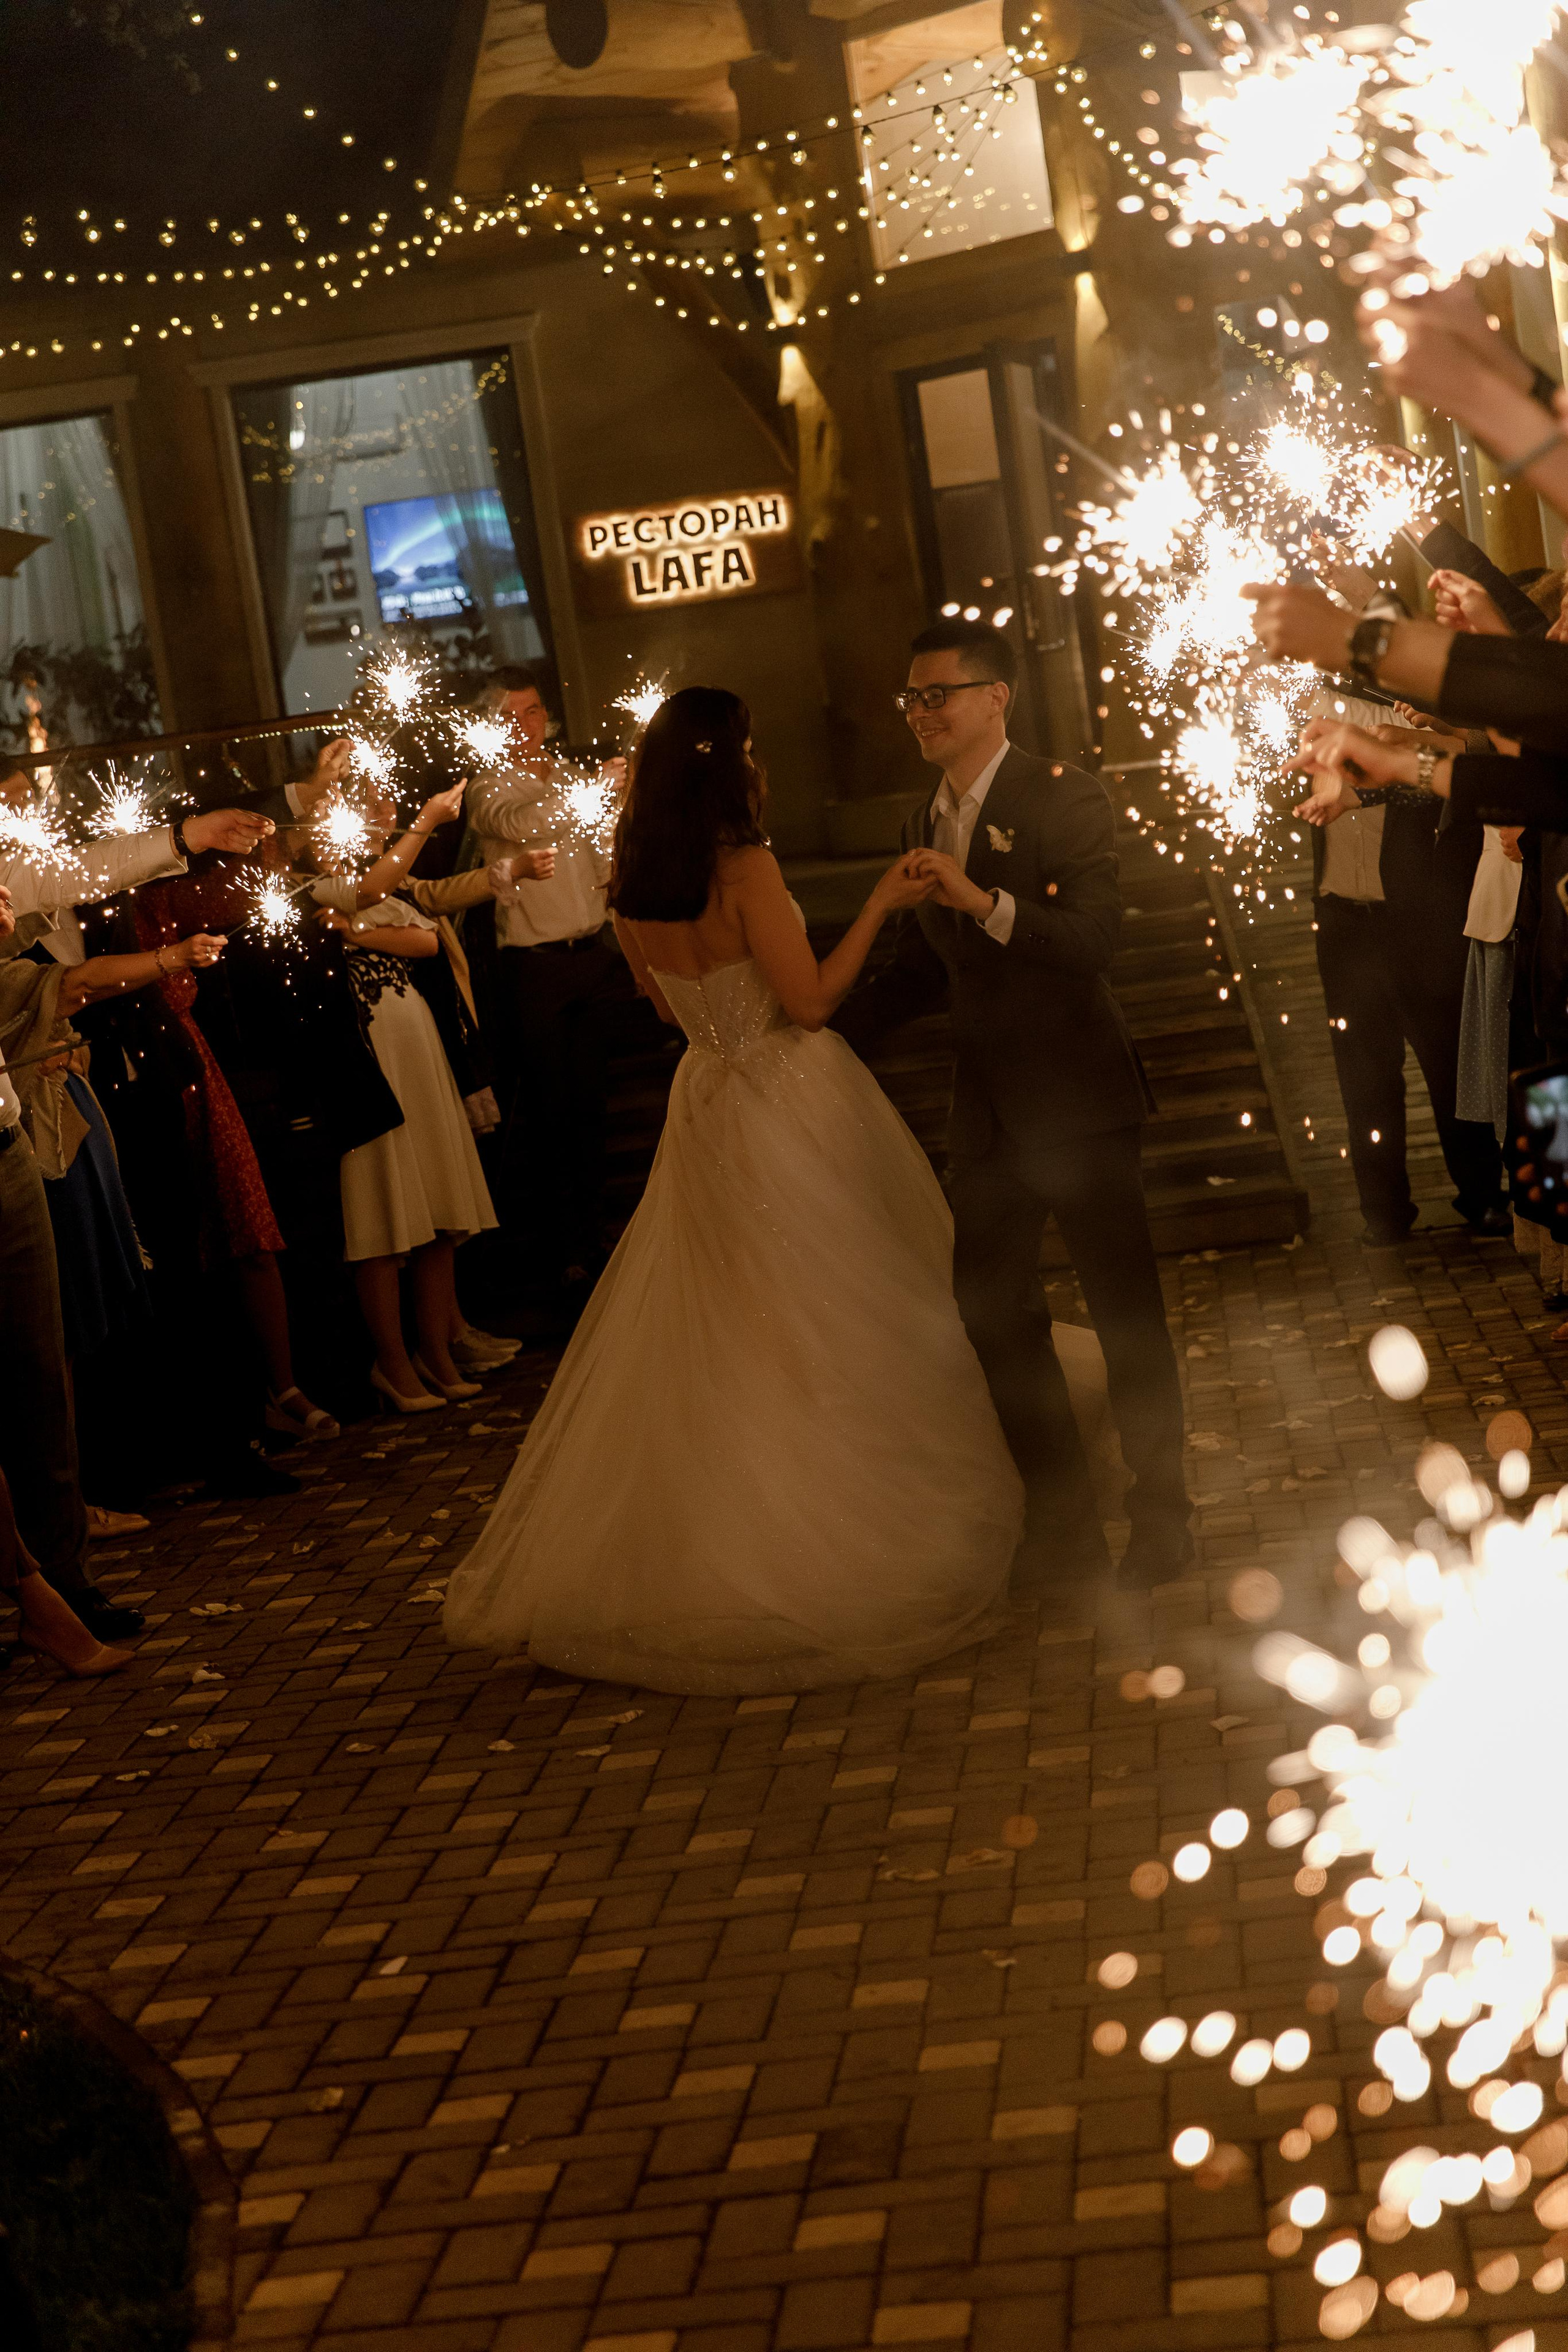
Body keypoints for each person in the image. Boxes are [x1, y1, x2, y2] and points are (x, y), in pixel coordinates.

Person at [443, 686, 1023, 1693]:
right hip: (788, 1092)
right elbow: (808, 1002)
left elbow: (657, 1003)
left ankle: (722, 1521)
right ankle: (839, 1522)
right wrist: (882, 904)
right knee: (843, 1302)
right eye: (750, 748)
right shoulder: (743, 865)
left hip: (705, 1099)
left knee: (731, 1317)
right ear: (727, 764)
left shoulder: (631, 884)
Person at [835, 619, 1189, 1591]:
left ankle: (1163, 1516)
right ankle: (1063, 1522)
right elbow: (917, 971)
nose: (920, 714)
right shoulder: (920, 821)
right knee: (989, 1312)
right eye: (909, 699)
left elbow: (1096, 940)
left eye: (937, 694)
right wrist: (817, 1024)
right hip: (987, 1113)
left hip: (1079, 1098)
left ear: (997, 697)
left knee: (1126, 1314)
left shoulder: (1065, 795)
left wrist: (984, 900)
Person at [306, 780, 499, 1412]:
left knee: (439, 1206)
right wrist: (420, 826)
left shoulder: (371, 888)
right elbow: (364, 900)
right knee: (385, 1212)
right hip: (368, 1060)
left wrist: (357, 934)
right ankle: (391, 1362)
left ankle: (437, 1352)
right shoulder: (314, 888)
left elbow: (422, 941)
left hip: (419, 1053)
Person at [464, 666, 632, 1303]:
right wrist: (594, 790)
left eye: (532, 712)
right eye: (509, 715)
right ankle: (564, 1250)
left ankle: (594, 1235)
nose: (523, 725)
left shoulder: (567, 776)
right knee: (549, 1108)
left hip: (590, 955)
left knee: (590, 1105)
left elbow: (601, 860)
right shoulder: (488, 789)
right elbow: (527, 827)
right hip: (533, 966)